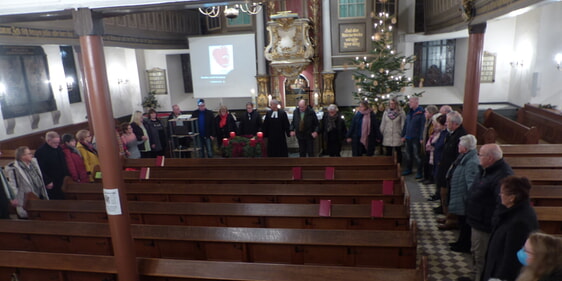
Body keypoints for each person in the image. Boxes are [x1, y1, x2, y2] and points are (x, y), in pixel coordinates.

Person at [465, 144, 513, 281]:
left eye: (480, 154)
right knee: (475, 252)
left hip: (485, 225)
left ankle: (480, 277)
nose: (478, 157)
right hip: (477, 220)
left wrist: (492, 224)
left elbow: (501, 205)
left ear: (490, 158)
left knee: (482, 257)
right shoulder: (487, 169)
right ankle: (475, 276)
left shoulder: (503, 176)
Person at [482, 176, 539, 281]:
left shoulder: (520, 221)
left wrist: (500, 277)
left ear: (512, 198)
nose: (500, 196)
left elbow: (511, 258)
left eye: (502, 193)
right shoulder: (512, 211)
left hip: (501, 274)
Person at [445, 134, 479, 253]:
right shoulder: (464, 156)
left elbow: (471, 184)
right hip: (460, 195)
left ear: (465, 148)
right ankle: (460, 242)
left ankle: (464, 245)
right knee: (461, 221)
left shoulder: (472, 162)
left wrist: (468, 199)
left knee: (465, 224)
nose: (458, 146)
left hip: (464, 198)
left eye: (460, 144)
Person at [435, 111, 467, 216]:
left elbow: (458, 155)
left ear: (455, 124)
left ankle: (450, 216)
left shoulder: (461, 136)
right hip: (445, 167)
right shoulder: (452, 133)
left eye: (448, 121)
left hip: (451, 169)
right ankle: (444, 210)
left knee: (448, 193)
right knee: (443, 191)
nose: (446, 124)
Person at [5, 146, 49, 218]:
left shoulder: (33, 164)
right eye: (29, 153)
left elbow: (40, 178)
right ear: (22, 156)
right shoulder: (14, 169)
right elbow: (14, 185)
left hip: (38, 194)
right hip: (24, 198)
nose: (31, 155)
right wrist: (15, 199)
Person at [35, 131, 69, 200]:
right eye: (55, 143)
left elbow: (63, 163)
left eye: (58, 142)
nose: (57, 144)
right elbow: (39, 169)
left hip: (62, 179)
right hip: (51, 181)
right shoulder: (40, 152)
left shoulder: (58, 148)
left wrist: (67, 175)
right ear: (48, 140)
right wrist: (47, 181)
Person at [401, 97, 425, 178]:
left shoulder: (421, 112)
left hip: (416, 137)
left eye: (411, 102)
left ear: (416, 103)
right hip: (408, 137)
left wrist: (421, 137)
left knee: (417, 155)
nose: (409, 103)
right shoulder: (409, 112)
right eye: (409, 102)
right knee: (408, 155)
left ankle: (419, 172)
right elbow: (406, 125)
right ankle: (408, 169)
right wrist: (403, 135)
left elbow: (422, 126)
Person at [427, 114, 447, 202]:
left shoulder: (445, 133)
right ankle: (437, 193)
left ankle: (439, 195)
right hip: (436, 157)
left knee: (439, 178)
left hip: (440, 159)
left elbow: (442, 145)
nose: (437, 125)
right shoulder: (442, 132)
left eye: (439, 123)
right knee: (436, 176)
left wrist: (435, 144)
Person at [380, 97, 405, 162]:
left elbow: (403, 124)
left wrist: (403, 135)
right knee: (388, 152)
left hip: (397, 135)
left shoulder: (401, 112)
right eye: (390, 104)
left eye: (393, 104)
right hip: (387, 135)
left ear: (396, 104)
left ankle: (398, 166)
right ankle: (389, 166)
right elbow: (383, 124)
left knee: (398, 151)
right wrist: (381, 134)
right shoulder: (386, 113)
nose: (392, 105)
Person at [421, 105, 439, 184]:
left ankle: (430, 178)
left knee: (430, 163)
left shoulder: (434, 122)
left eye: (426, 112)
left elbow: (432, 133)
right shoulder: (427, 120)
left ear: (431, 113)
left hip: (431, 146)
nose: (425, 113)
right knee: (425, 162)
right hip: (426, 145)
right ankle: (425, 177)